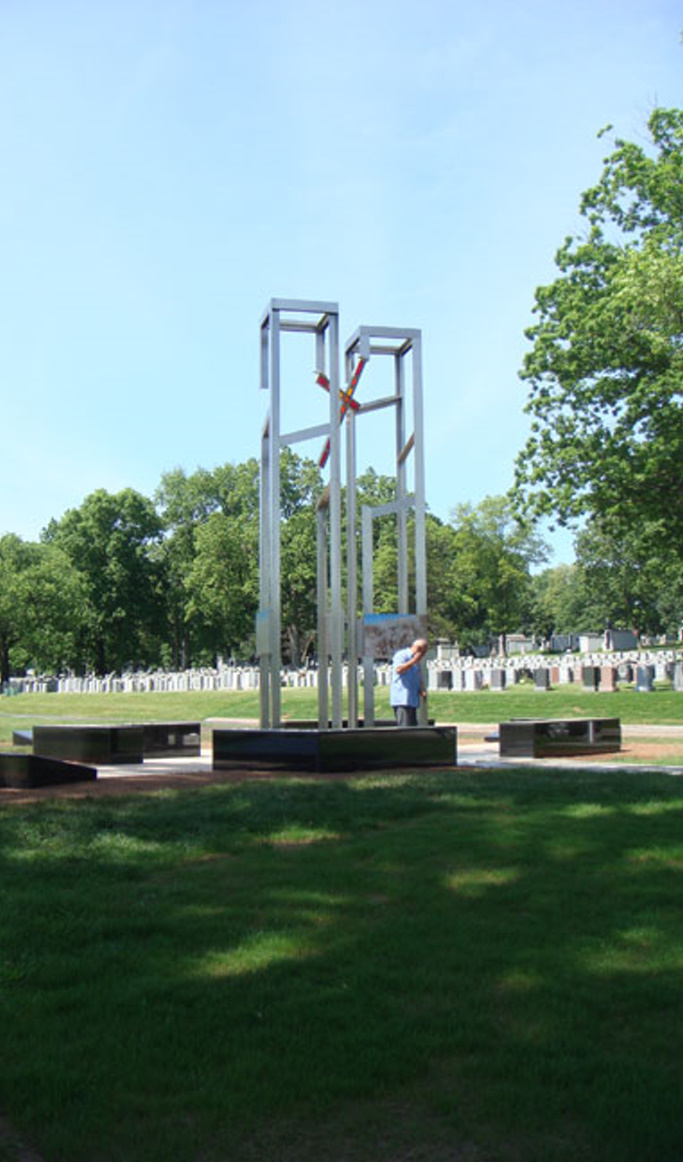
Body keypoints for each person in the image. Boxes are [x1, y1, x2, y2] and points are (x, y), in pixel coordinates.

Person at [390, 638, 428, 727]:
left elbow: (417, 676)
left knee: (412, 728)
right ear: (419, 649)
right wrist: (414, 660)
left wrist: (421, 689)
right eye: (424, 652)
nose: (423, 655)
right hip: (402, 699)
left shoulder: (416, 661)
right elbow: (399, 669)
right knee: (404, 728)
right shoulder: (402, 655)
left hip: (412, 699)